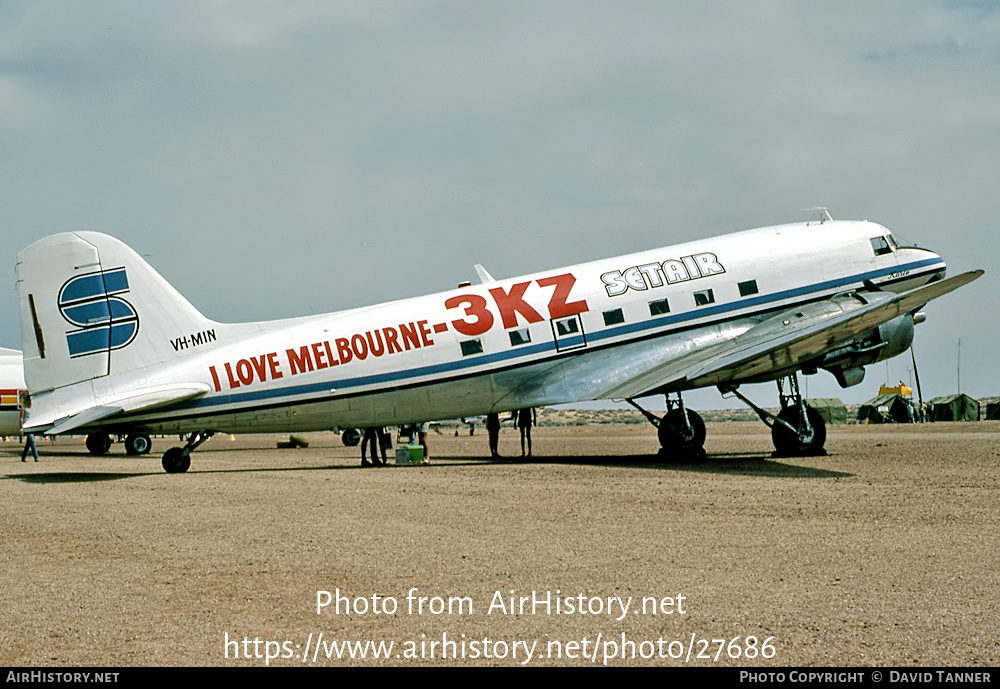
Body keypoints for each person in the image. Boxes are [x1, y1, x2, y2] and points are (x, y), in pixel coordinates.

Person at [19, 392, 37, 462]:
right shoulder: (24, 408)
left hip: (32, 425)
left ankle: (23, 457)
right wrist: (21, 428)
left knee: (28, 443)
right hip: (27, 426)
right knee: (32, 441)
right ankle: (36, 457)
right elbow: (21, 418)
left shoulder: (33, 407)